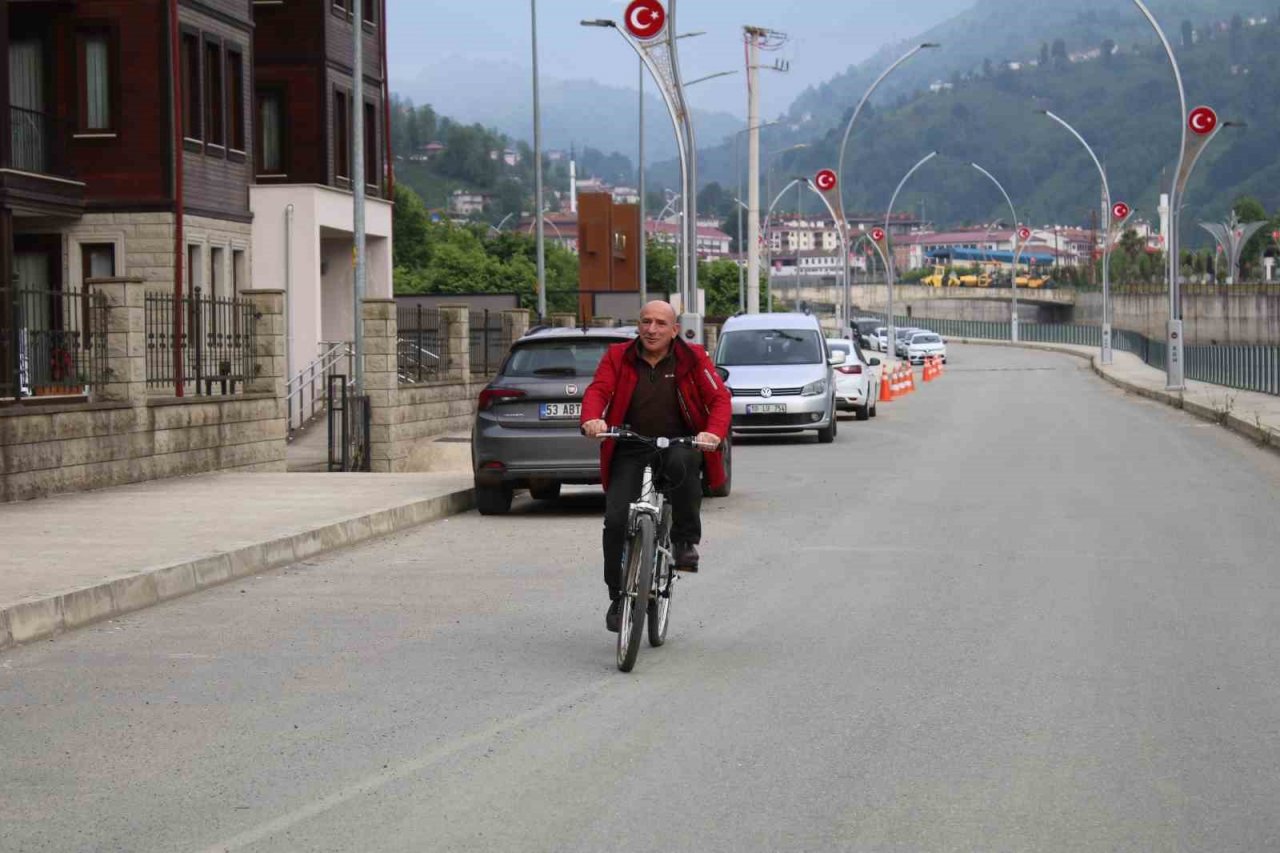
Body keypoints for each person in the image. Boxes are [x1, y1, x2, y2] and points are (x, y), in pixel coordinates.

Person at [581, 301, 732, 632]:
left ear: (674, 330)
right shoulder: (618, 356)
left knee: (684, 467)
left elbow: (719, 399)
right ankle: (619, 597)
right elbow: (598, 389)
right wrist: (593, 418)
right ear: (638, 325)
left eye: (660, 323)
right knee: (616, 520)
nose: (652, 329)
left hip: (678, 442)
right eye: (646, 322)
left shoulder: (693, 358)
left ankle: (683, 541)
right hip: (630, 445)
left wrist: (712, 433)